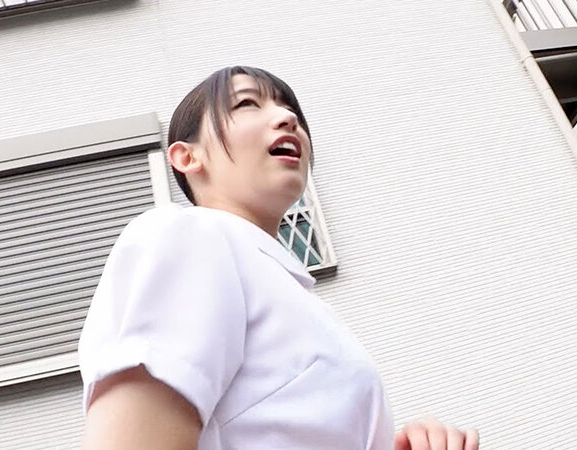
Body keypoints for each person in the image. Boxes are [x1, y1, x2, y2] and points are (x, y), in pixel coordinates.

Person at [78, 66, 479, 450]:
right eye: (247, 103)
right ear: (187, 157)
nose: (288, 118)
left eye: (291, 110)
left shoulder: (293, 293)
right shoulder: (189, 236)